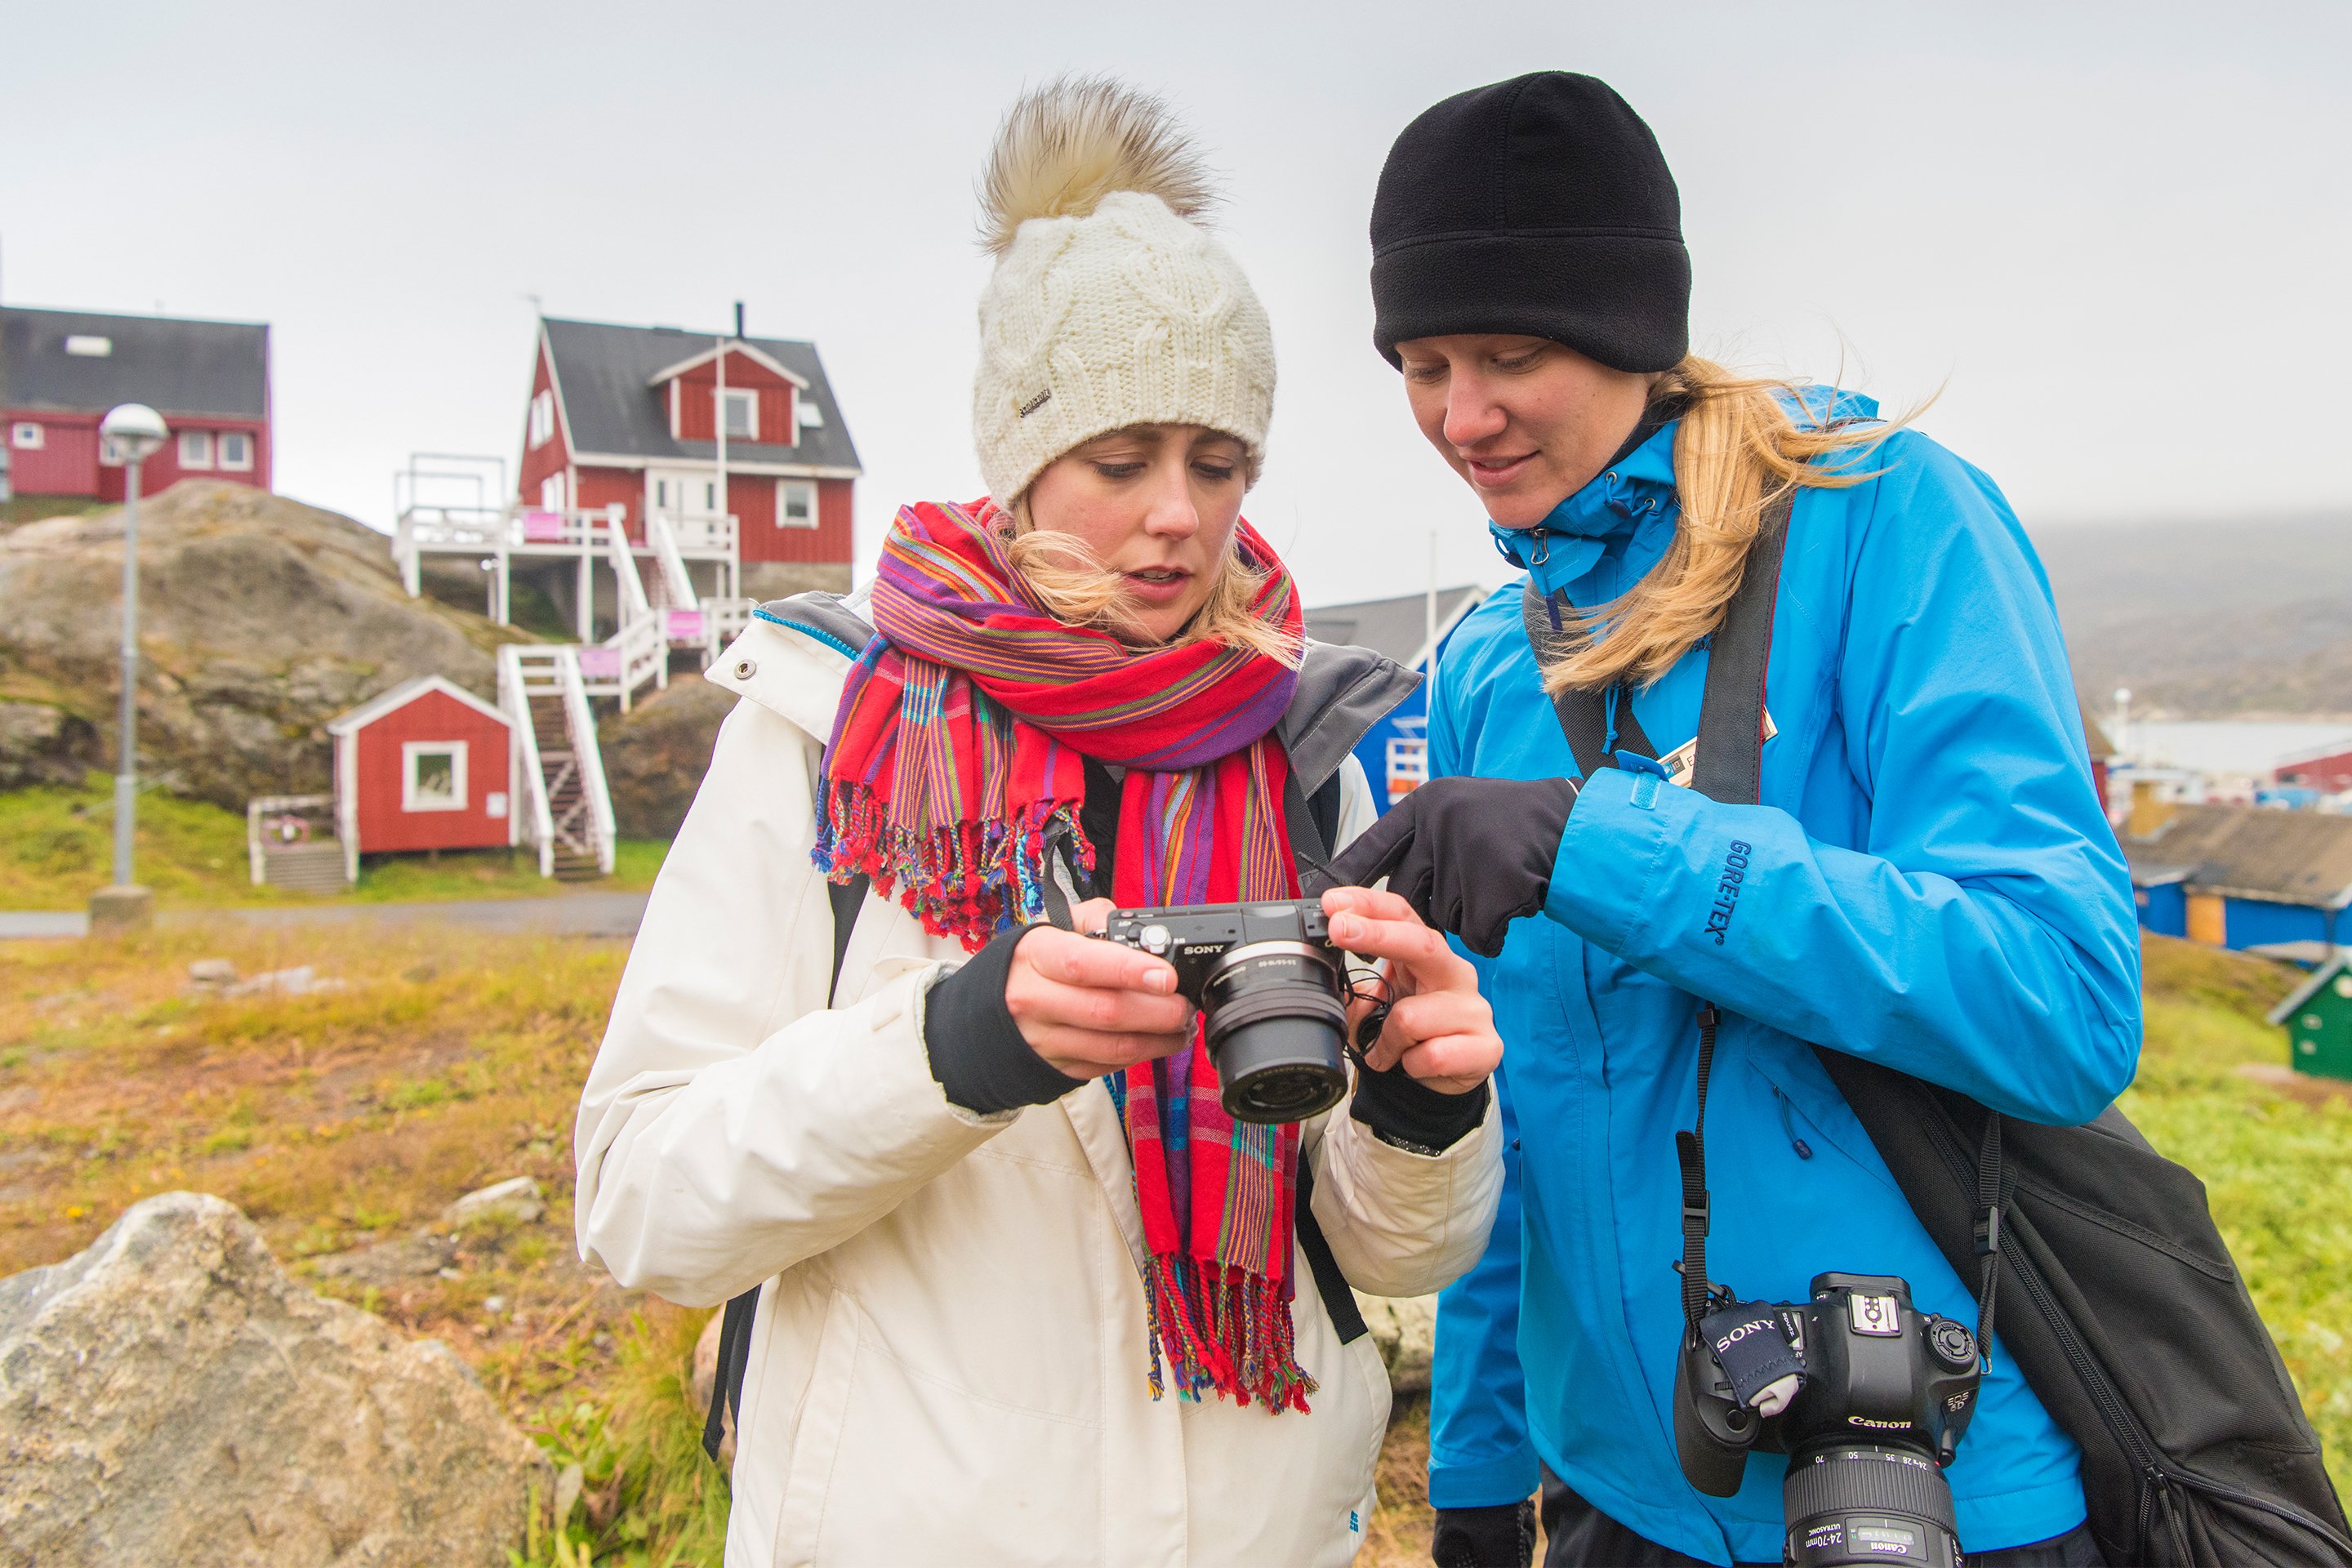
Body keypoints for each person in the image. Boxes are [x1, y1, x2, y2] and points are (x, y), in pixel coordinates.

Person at [573, 78, 1506, 1568]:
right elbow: (641, 1206)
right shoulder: (828, 737)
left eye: (1218, 464)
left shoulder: (1304, 744)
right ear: (1019, 464)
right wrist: (949, 1050)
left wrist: (1423, 1111)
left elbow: (1390, 1254)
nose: (1177, 515)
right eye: (1121, 461)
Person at [1323, 74, 2139, 1568]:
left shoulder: (1887, 520)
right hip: (1613, 1494)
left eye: (1511, 355)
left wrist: (1600, 847)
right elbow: (1504, 1108)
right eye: (1422, 365)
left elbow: (2064, 1000)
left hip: (1930, 1494)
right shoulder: (1498, 661)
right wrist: (1480, 1471)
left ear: (1634, 329)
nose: (1461, 417)